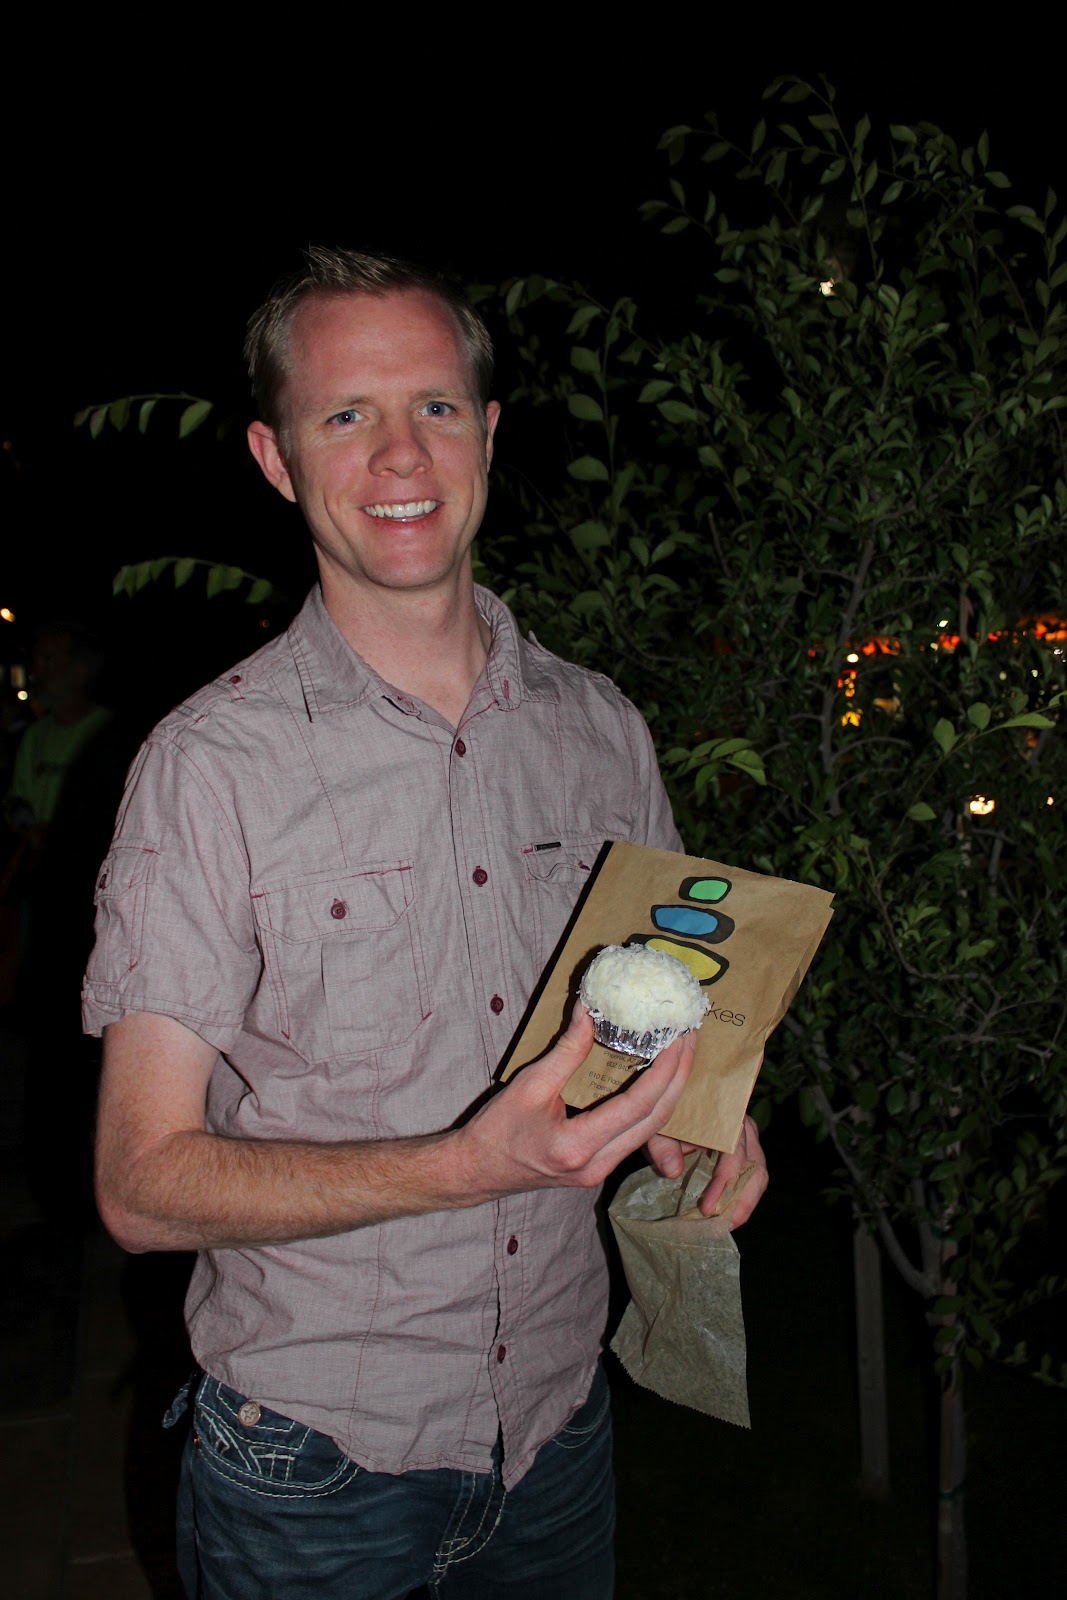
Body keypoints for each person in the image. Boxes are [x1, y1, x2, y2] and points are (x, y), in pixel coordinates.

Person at [86, 248, 768, 1600]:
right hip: (317, 1469)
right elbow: (139, 1185)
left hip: (561, 1437)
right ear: (278, 460)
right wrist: (468, 1163)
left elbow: (664, 1000)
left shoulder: (598, 728)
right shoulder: (208, 766)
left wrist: (705, 1120)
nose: (400, 454)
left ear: (489, 433)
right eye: (347, 416)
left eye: (435, 408)